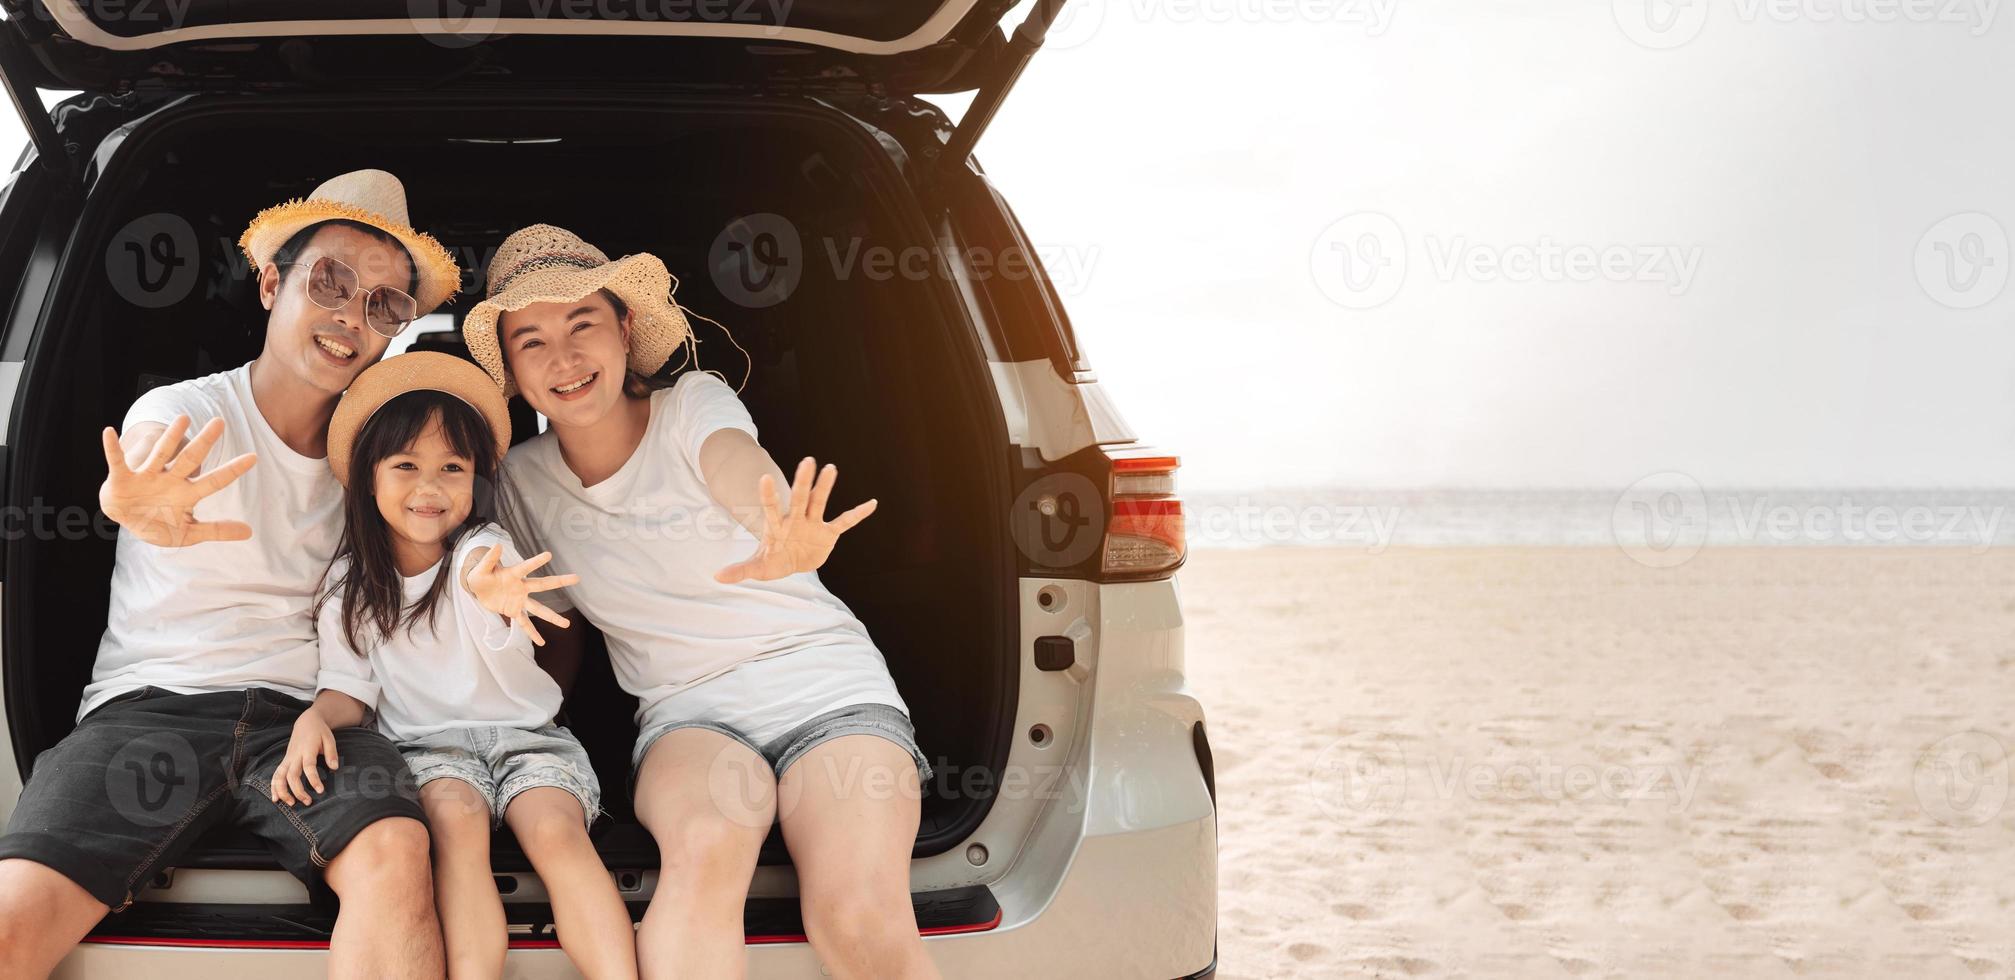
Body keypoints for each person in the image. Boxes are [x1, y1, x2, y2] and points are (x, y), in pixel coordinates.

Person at [0, 170, 458, 979]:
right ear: (273, 283)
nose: (353, 316)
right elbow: (136, 476)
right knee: (13, 920)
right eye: (332, 282)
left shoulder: (377, 463)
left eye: (385, 305)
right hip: (149, 711)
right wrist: (126, 502)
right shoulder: (186, 412)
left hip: (308, 721)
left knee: (397, 850)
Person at [462, 224, 940, 980]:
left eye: (582, 324)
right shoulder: (519, 479)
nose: (564, 358)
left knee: (855, 913)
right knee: (710, 850)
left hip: (829, 692)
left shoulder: (693, 403)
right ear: (513, 371)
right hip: (688, 714)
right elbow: (553, 620)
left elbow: (738, 467)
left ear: (624, 330)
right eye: (532, 341)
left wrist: (779, 526)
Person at [268, 351, 634, 979]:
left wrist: (494, 591)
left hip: (531, 738)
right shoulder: (348, 584)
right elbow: (349, 690)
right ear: (367, 476)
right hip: (428, 748)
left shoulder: (484, 548)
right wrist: (313, 720)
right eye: (405, 465)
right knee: (456, 827)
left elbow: (481, 574)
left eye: (452, 468)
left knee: (555, 833)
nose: (429, 487)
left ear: (476, 482)